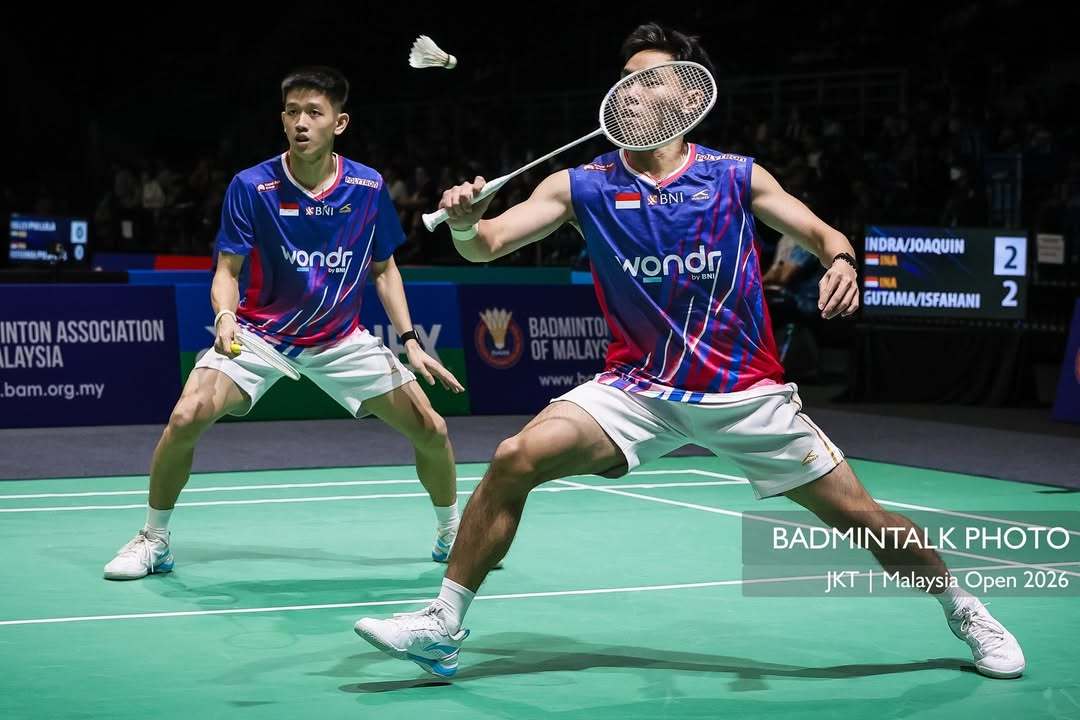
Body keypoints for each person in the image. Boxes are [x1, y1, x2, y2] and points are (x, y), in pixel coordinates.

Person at [353, 25, 1024, 680]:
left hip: (743, 392)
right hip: (640, 390)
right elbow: (489, 245)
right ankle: (442, 625)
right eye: (624, 80)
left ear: (686, 95)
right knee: (514, 457)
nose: (629, 90)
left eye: (649, 80)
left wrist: (842, 262)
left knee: (861, 518)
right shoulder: (582, 184)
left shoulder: (733, 176)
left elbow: (824, 234)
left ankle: (964, 609)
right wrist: (466, 223)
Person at [104, 66, 465, 581]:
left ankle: (452, 534)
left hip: (340, 338)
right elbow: (227, 271)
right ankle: (153, 539)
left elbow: (384, 269)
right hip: (260, 336)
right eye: (293, 112)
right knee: (185, 418)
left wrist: (409, 340)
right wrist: (224, 317)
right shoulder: (253, 186)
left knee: (431, 429)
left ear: (339, 123)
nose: (301, 122)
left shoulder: (367, 186)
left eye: (314, 112)